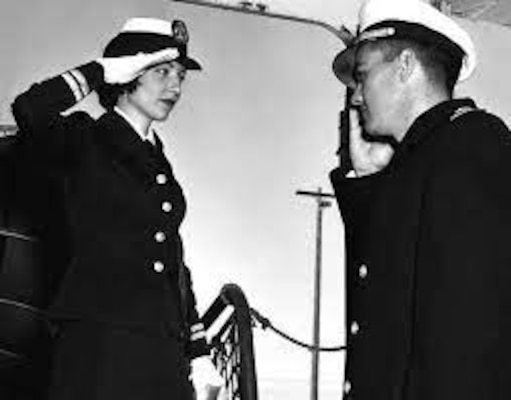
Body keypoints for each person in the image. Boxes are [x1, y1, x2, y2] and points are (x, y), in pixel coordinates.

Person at [12, 17, 219, 400]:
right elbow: (29, 110)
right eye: (161, 72)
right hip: (99, 348)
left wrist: (199, 349)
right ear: (129, 73)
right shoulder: (85, 141)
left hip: (161, 350)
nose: (175, 86)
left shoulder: (158, 160)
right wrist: (101, 70)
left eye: (180, 76)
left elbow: (172, 260)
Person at [329, 0, 511, 399]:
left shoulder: (475, 148)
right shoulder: (422, 160)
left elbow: (466, 349)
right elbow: (383, 297)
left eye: (362, 76)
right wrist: (369, 180)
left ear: (405, 66)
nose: (356, 97)